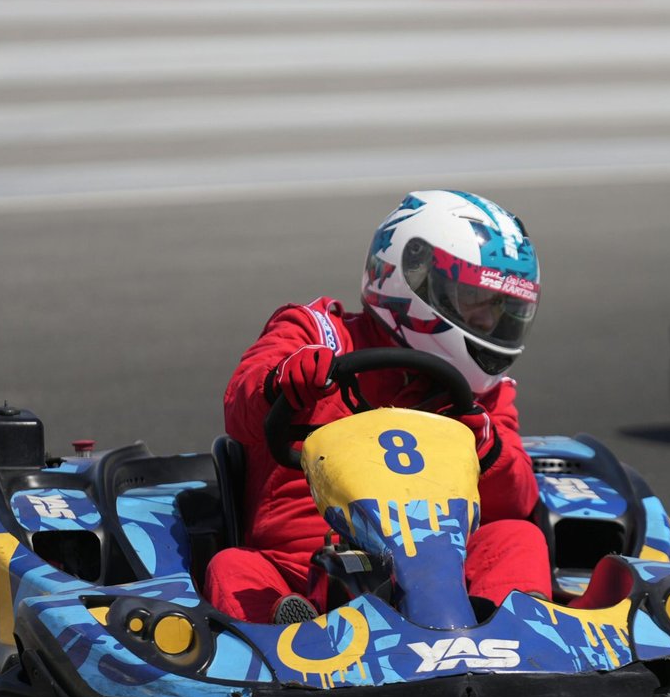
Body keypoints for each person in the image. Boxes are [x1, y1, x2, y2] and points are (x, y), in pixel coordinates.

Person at [204, 190, 553, 623]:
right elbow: (240, 408)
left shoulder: (482, 393)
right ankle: (288, 635)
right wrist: (282, 382)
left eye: (504, 309)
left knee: (518, 536)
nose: (489, 324)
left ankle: (504, 631)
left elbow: (516, 500)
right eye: (476, 302)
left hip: (444, 570)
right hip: (304, 564)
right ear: (413, 277)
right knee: (233, 568)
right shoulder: (315, 333)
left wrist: (487, 445)